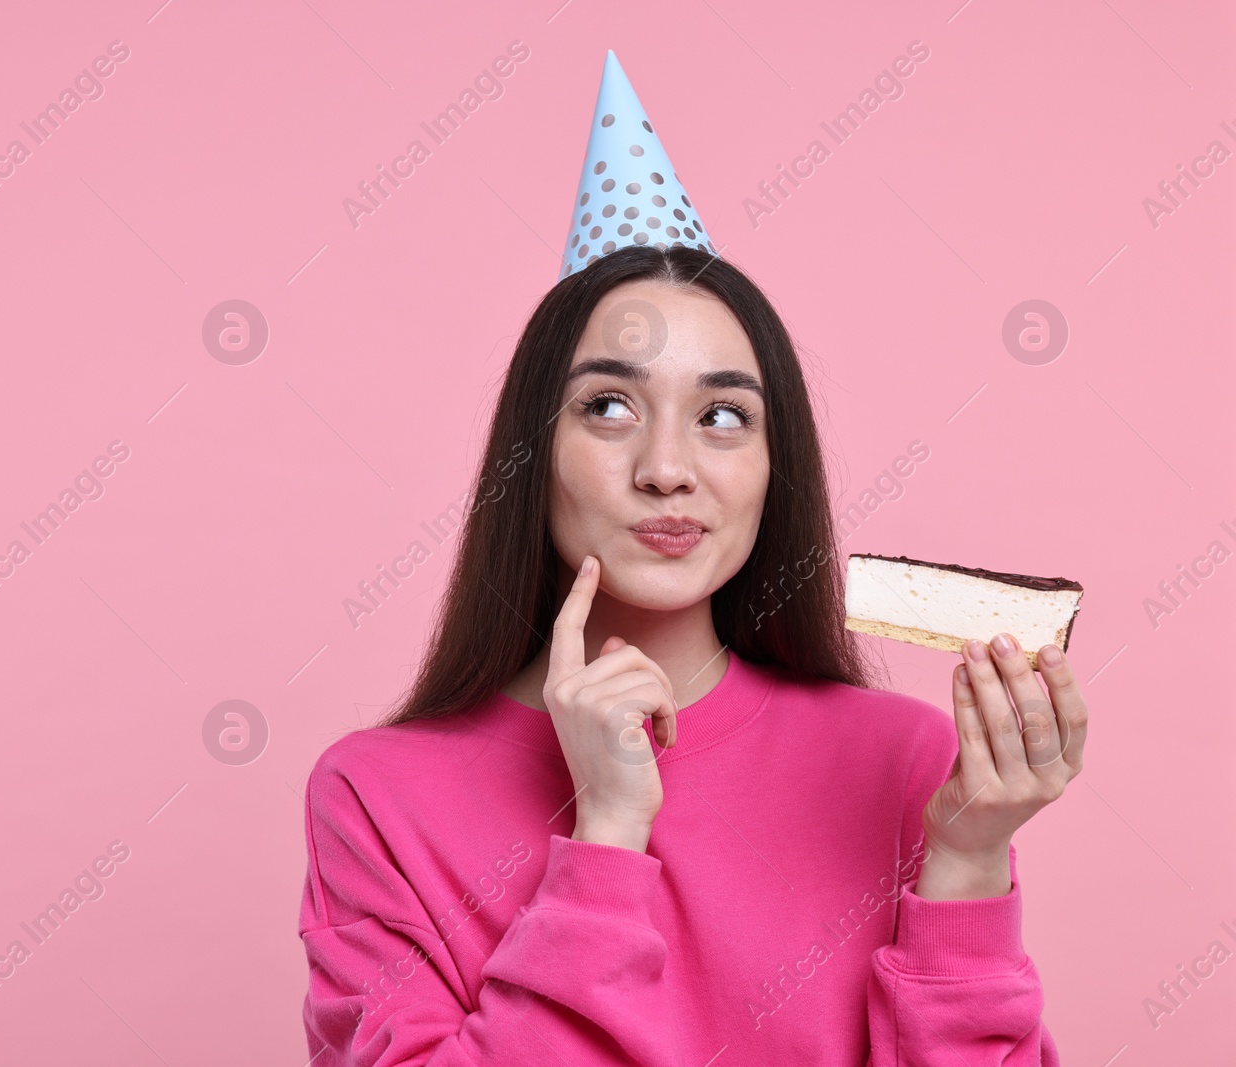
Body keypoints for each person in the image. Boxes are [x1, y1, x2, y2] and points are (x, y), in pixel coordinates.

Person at [298, 53, 1086, 1065]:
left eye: (722, 416)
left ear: (772, 468)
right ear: (532, 456)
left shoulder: (904, 765)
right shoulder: (377, 794)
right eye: (609, 406)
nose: (667, 468)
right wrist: (607, 831)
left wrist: (970, 857)